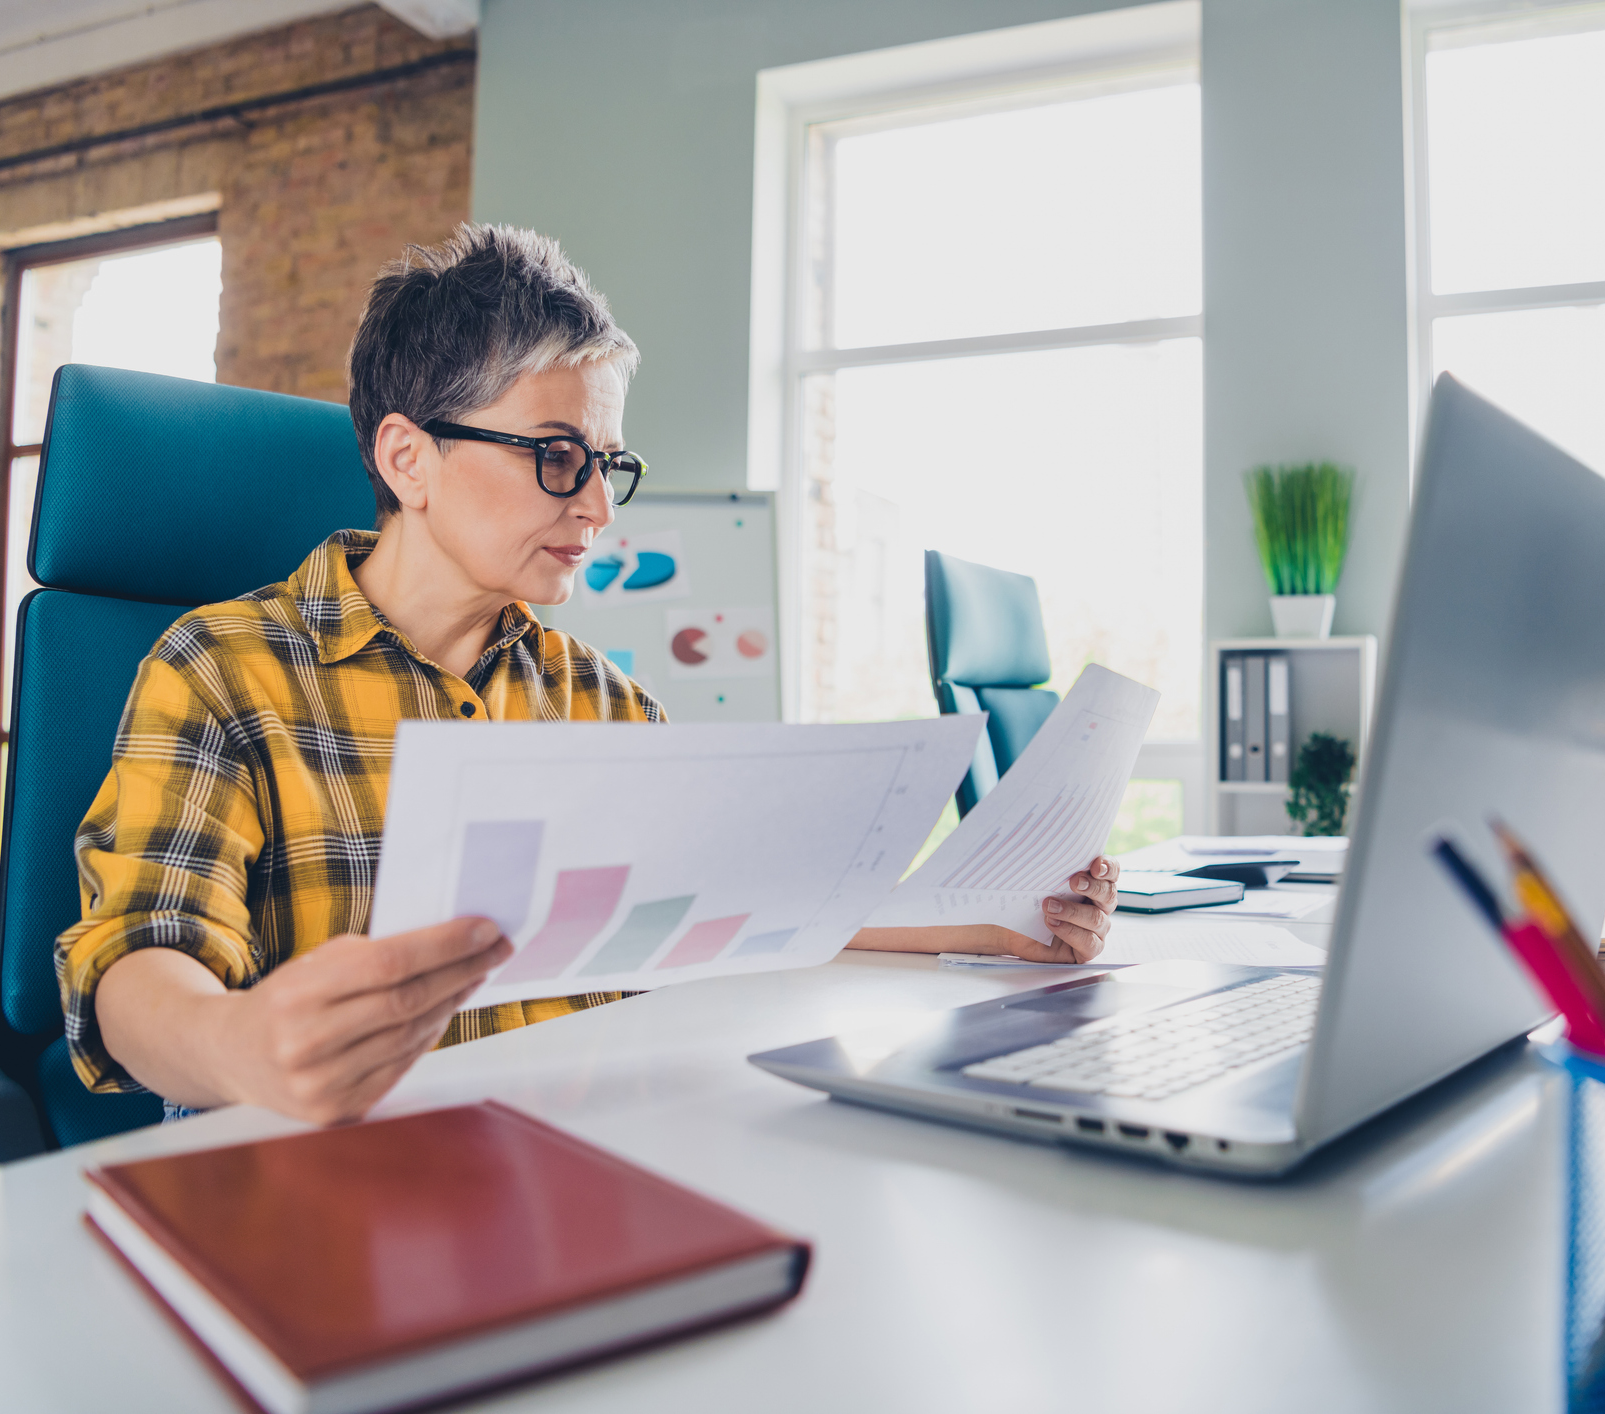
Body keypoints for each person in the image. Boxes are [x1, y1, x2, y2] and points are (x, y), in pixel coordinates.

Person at [55, 225, 1118, 1127]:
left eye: (608, 464)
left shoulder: (603, 701)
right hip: (338, 1186)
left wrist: (991, 915)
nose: (600, 509)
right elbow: (138, 960)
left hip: (574, 1156)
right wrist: (238, 1041)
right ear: (407, 458)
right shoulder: (223, 673)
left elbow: (745, 899)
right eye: (558, 456)